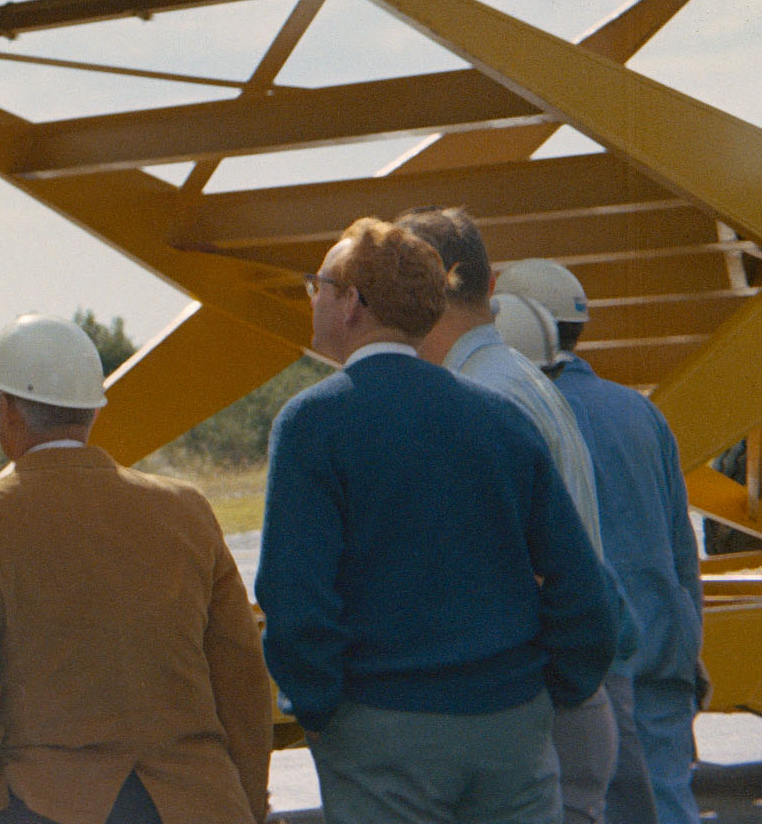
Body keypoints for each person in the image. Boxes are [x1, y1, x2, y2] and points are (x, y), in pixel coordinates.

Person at [258, 216, 617, 824]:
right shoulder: (500, 418)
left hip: (384, 728)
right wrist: (551, 690)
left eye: (318, 284)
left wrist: (319, 710)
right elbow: (582, 584)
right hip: (511, 724)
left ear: (351, 304)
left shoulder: (313, 424)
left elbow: (295, 597)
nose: (313, 299)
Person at [0, 315, 271, 824]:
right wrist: (243, 799)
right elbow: (241, 675)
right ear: (91, 413)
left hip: (50, 803)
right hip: (199, 799)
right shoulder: (186, 509)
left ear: (8, 410)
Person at [408, 211, 617, 824]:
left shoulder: (481, 399)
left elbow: (508, 577)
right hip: (558, 697)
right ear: (490, 282)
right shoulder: (520, 378)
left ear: (423, 290)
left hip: (528, 709)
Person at [505, 261, 706, 824]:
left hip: (583, 654)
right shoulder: (640, 412)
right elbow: (679, 542)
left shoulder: (522, 410)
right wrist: (688, 639)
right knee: (665, 797)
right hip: (663, 636)